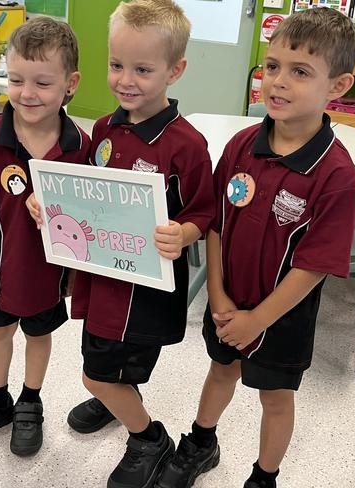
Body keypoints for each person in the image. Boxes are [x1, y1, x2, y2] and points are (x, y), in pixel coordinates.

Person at [155, 8, 355, 488]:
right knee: (220, 370)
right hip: (229, 304)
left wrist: (257, 319)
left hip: (282, 316)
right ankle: (201, 443)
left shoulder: (336, 176)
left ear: (337, 86)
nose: (278, 82)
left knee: (275, 397)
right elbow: (217, 226)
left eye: (300, 72)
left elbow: (313, 267)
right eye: (272, 67)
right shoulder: (242, 145)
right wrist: (221, 298)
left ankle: (263, 477)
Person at [59, 0, 213, 486]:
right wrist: (53, 205)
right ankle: (114, 394)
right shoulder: (104, 128)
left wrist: (184, 232)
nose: (126, 79)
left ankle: (148, 436)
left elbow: (205, 212)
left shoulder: (186, 145)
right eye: (116, 64)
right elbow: (85, 190)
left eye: (143, 69)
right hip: (103, 277)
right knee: (101, 360)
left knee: (96, 371)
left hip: (143, 293)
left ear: (175, 71)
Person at [0, 16, 91, 456]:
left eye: (43, 82)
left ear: (71, 83)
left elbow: (88, 212)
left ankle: (30, 401)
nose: (27, 93)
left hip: (49, 271)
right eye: (16, 79)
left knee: (39, 335)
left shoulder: (80, 145)